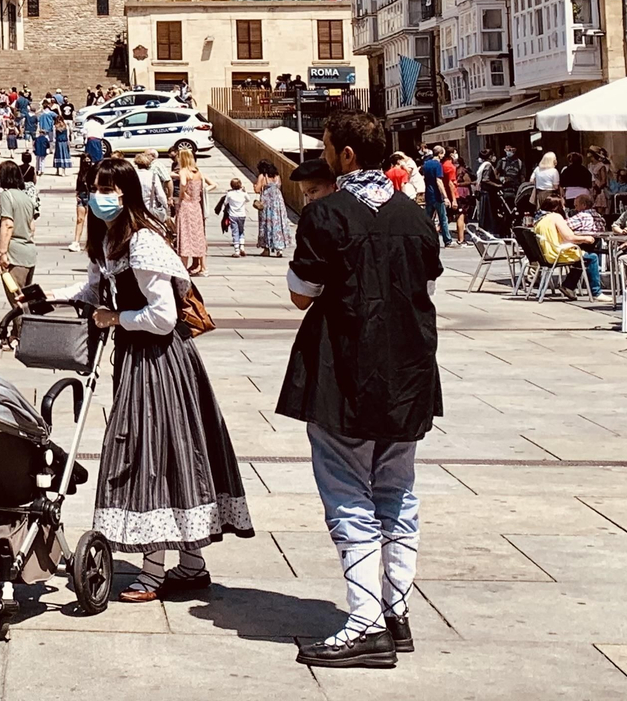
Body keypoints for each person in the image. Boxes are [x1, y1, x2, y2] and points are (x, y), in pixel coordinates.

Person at [281, 109, 443, 670]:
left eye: (328, 147)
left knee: (348, 489)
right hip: (410, 368)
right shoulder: (414, 216)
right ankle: (396, 610)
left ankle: (364, 622)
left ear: (346, 155)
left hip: (347, 366)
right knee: (397, 488)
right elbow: (425, 278)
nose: (323, 155)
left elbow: (303, 291)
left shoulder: (327, 214)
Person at [76, 155, 253, 600]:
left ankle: (153, 571)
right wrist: (42, 297)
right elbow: (91, 292)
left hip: (161, 360)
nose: (101, 198)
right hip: (136, 359)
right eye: (96, 188)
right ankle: (191, 565)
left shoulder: (143, 242)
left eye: (109, 189)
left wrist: (115, 318)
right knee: (166, 451)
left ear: (127, 193)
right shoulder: (109, 242)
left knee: (149, 452)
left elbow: (163, 316)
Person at [0, 159, 39, 289]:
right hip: (28, 253)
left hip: (14, 255)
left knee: (17, 300)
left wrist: (2, 253)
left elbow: (7, 224)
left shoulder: (7, 196)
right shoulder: (26, 198)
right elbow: (32, 227)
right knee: (24, 299)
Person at [532, 194, 595, 297]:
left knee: (581, 257)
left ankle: (569, 286)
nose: (565, 208)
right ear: (558, 206)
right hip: (555, 254)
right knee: (591, 257)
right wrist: (585, 238)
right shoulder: (556, 217)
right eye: (563, 205)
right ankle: (596, 292)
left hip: (544, 255)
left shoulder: (540, 220)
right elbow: (570, 237)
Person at [172, 144, 207, 277]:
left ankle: (183, 266)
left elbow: (183, 183)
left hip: (186, 204)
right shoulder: (197, 172)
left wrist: (182, 194)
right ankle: (201, 265)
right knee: (197, 233)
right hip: (196, 205)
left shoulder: (183, 172)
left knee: (184, 233)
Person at [257, 161, 293, 257]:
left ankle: (266, 249)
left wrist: (255, 186)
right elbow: (279, 186)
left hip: (267, 202)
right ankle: (279, 249)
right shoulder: (277, 177)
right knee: (279, 222)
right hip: (278, 202)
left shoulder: (262, 176)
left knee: (266, 223)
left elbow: (257, 189)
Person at [217, 177, 251, 258]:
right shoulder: (243, 193)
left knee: (235, 231)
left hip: (233, 215)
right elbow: (248, 199)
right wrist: (245, 191)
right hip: (242, 215)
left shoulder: (230, 194)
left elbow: (225, 203)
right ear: (240, 185)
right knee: (241, 231)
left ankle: (236, 250)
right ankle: (242, 247)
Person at [52, 108, 72, 175]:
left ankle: (57, 171)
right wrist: (69, 141)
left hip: (58, 142)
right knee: (64, 155)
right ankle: (63, 172)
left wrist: (54, 142)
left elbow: (54, 136)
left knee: (58, 155)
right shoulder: (66, 126)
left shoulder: (55, 126)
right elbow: (68, 134)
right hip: (64, 142)